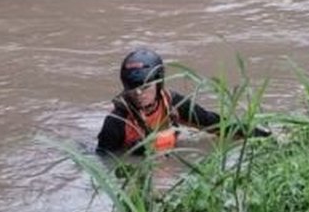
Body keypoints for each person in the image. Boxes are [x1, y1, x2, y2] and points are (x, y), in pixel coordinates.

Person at [96, 48, 266, 153]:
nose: (139, 93)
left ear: (159, 83)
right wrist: (132, 152)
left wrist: (262, 136)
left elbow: (214, 123)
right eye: (133, 88)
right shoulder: (115, 122)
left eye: (146, 87)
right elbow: (104, 161)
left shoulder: (172, 103)